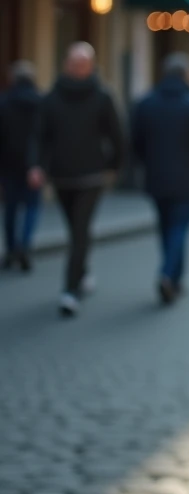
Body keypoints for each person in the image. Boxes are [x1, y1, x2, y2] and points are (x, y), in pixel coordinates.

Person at [29, 42, 123, 316]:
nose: (78, 68)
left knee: (80, 231)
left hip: (91, 176)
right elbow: (40, 135)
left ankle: (70, 290)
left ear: (91, 66)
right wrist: (36, 166)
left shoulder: (103, 96)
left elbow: (116, 135)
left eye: (83, 63)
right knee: (74, 229)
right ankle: (81, 272)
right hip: (61, 176)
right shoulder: (51, 98)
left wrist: (114, 166)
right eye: (73, 63)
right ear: (65, 65)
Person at [132, 52, 189, 303]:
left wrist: (146, 164)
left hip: (156, 177)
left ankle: (175, 276)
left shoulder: (146, 104)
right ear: (185, 75)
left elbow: (136, 142)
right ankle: (168, 274)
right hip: (186, 179)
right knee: (180, 228)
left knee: (166, 227)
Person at [0, 60, 42, 271]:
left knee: (11, 208)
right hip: (33, 166)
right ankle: (24, 244)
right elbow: (45, 137)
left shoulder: (5, 102)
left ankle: (11, 248)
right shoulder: (41, 102)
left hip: (9, 164)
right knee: (32, 207)